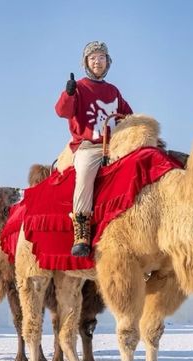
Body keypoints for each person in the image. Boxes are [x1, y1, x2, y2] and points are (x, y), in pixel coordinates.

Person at [55, 41, 133, 256]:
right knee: (85, 174)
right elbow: (63, 112)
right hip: (88, 146)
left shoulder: (113, 91)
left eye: (101, 57)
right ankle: (81, 229)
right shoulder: (79, 87)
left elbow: (128, 115)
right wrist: (68, 94)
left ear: (108, 62)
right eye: (93, 58)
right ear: (86, 63)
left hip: (115, 145)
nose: (97, 61)